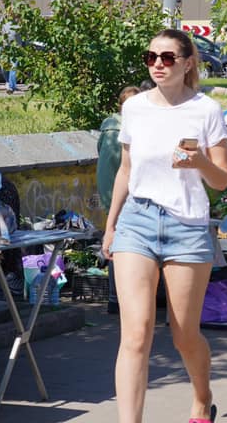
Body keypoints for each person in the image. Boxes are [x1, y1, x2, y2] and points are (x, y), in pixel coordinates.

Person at [102, 29, 227, 423]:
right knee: (136, 333)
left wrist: (199, 163)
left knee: (183, 334)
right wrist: (111, 226)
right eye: (151, 57)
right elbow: (126, 169)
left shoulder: (206, 110)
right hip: (136, 221)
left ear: (188, 62)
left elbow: (222, 179)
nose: (158, 63)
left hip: (187, 226)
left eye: (168, 57)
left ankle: (201, 398)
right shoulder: (135, 108)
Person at [97, 85, 141, 315]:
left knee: (120, 245)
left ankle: (119, 298)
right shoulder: (122, 129)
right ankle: (117, 298)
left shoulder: (110, 126)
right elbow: (121, 169)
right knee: (120, 248)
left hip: (115, 194)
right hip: (124, 195)